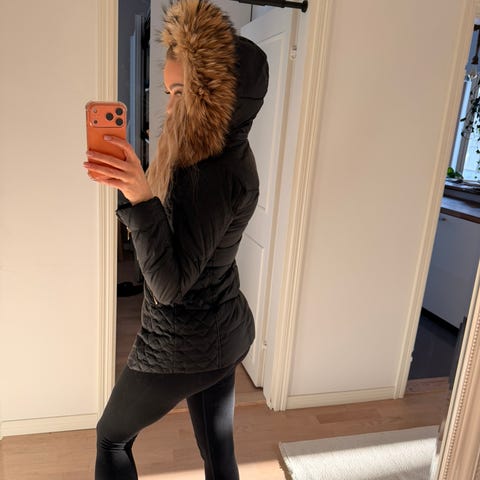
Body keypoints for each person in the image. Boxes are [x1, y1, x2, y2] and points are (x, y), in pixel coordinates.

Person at [83, 0, 269, 478]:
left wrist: (141, 198)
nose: (168, 107)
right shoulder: (230, 153)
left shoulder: (210, 174)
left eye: (181, 92)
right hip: (220, 333)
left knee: (111, 437)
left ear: (218, 97)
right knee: (218, 452)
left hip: (183, 344)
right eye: (168, 91)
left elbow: (167, 286)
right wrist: (143, 194)